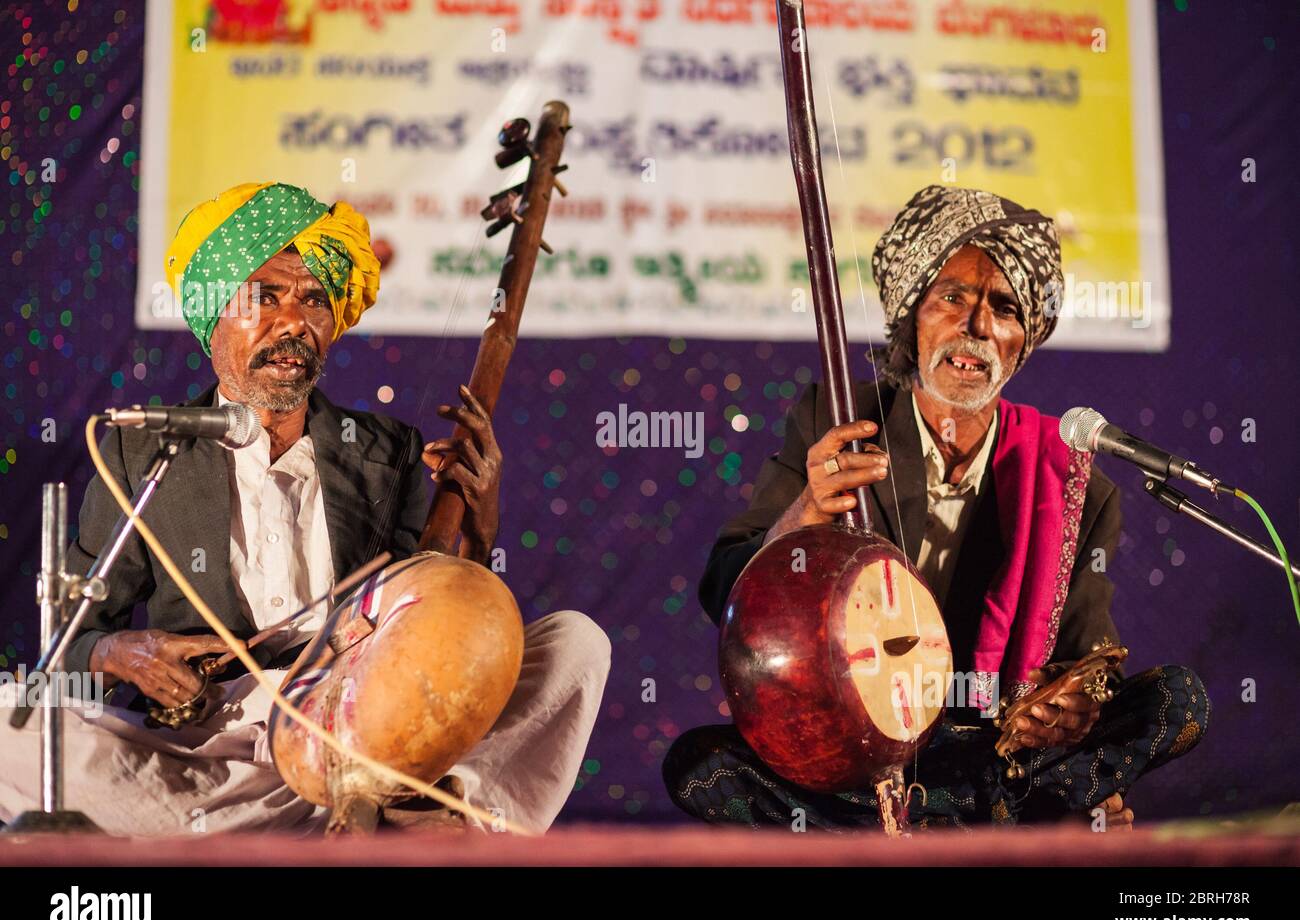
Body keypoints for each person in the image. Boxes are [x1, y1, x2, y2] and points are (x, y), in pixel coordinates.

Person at [0, 182, 610, 835]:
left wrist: (481, 522)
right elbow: (67, 641)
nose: (293, 321)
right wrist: (121, 652)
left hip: (360, 738)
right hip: (207, 758)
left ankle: (443, 811)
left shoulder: (385, 451)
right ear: (214, 315)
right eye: (264, 295)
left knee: (576, 643)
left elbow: (433, 624)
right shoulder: (145, 451)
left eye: (314, 299)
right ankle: (301, 832)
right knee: (13, 717)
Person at [664, 186, 1209, 831]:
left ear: (1023, 340)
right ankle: (997, 823)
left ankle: (927, 825)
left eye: (1004, 308)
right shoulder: (838, 420)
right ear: (912, 314)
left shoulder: (1073, 483)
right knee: (701, 765)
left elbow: (1089, 659)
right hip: (859, 748)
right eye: (953, 297)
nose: (976, 326)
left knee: (1178, 700)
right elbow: (724, 586)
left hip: (987, 743)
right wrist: (805, 514)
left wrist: (1077, 703)